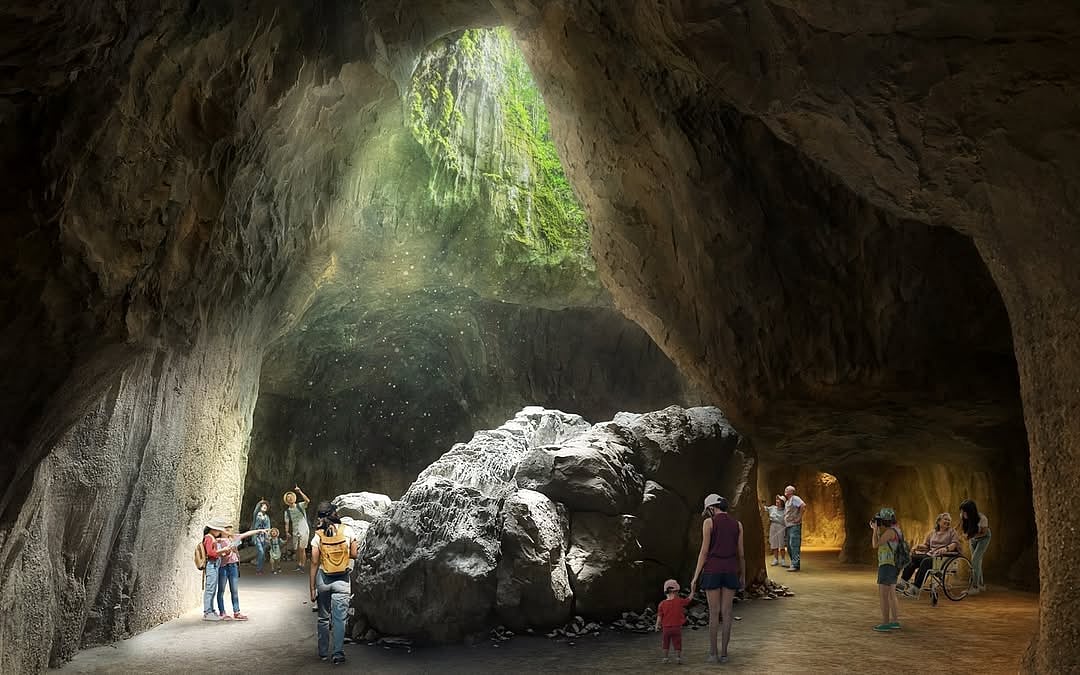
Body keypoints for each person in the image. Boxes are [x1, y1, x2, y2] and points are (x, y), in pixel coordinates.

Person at [690, 494, 744, 664]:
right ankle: (725, 654)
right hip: (730, 570)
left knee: (714, 613)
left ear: (712, 508)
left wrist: (695, 576)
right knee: (727, 613)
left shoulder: (709, 523)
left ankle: (713, 654)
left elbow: (704, 552)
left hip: (712, 571)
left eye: (708, 511)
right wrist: (743, 574)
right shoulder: (738, 525)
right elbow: (741, 554)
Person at [309, 501, 358, 665]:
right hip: (342, 580)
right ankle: (338, 653)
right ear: (335, 513)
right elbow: (354, 554)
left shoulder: (318, 536)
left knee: (323, 618)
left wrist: (311, 588)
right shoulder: (348, 530)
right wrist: (341, 556)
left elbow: (314, 563)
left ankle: (323, 652)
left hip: (323, 579)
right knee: (339, 619)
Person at [898, 512, 960, 597]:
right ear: (939, 521)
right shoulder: (933, 532)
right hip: (931, 555)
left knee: (925, 561)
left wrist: (946, 548)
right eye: (945, 519)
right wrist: (918, 546)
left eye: (949, 520)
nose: (947, 521)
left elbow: (954, 544)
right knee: (912, 558)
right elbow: (927, 545)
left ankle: (915, 588)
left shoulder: (952, 532)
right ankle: (902, 583)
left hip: (942, 558)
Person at [215, 525, 268, 621]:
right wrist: (226, 550)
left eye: (229, 528)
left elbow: (246, 534)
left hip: (233, 566)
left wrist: (259, 530)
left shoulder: (233, 538)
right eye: (226, 529)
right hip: (223, 567)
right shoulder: (218, 540)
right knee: (221, 590)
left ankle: (236, 612)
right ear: (221, 530)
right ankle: (222, 612)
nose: (228, 530)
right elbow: (218, 554)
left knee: (234, 590)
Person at [870, 507, 902, 632]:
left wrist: (874, 530)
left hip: (887, 565)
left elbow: (875, 545)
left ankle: (885, 622)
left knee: (883, 595)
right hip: (894, 565)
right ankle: (895, 621)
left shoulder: (889, 532)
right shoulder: (897, 530)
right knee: (892, 595)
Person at [654, 579, 692, 664]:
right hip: (677, 628)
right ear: (674, 591)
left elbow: (659, 616)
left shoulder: (661, 604)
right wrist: (692, 591)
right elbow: (688, 600)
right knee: (677, 643)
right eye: (677, 591)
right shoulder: (679, 601)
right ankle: (678, 658)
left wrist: (657, 625)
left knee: (665, 643)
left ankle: (665, 658)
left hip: (666, 629)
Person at [959, 499, 991, 594]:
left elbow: (983, 533)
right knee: (978, 561)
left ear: (971, 511)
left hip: (984, 538)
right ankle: (981, 585)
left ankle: (975, 587)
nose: (962, 513)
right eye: (961, 511)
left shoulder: (982, 518)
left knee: (975, 560)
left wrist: (969, 536)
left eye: (964, 511)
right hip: (972, 539)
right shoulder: (963, 516)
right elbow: (960, 526)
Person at [201, 518, 230, 621]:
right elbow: (210, 553)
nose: (219, 532)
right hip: (211, 565)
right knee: (210, 589)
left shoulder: (212, 538)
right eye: (218, 530)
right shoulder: (209, 538)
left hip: (215, 564)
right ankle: (207, 612)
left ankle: (211, 610)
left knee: (213, 588)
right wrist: (222, 550)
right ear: (213, 529)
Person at [283, 486, 311, 572]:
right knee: (297, 549)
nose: (290, 498)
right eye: (288, 498)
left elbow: (307, 501)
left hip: (304, 528)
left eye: (291, 496)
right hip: (295, 530)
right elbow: (287, 522)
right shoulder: (287, 512)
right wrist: (287, 532)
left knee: (302, 548)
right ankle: (299, 564)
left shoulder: (300, 505)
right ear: (287, 501)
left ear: (294, 498)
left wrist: (300, 492)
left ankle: (302, 565)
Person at [783, 485, 806, 572]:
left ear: (792, 492)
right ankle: (794, 562)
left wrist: (799, 517)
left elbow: (803, 505)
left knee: (794, 544)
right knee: (789, 546)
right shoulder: (787, 501)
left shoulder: (795, 498)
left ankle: (795, 565)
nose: (785, 490)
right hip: (788, 526)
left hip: (794, 526)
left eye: (787, 489)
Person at [765, 495, 788, 567]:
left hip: (781, 526)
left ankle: (783, 560)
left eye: (779, 500)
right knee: (774, 543)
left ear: (782, 502)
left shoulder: (785, 511)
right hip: (773, 526)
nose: (777, 501)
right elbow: (764, 508)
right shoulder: (772, 508)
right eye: (777, 500)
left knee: (781, 543)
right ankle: (775, 559)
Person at [252, 499, 271, 575]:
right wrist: (260, 502)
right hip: (256, 535)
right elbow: (256, 509)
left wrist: (268, 537)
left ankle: (260, 568)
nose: (265, 507)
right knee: (261, 552)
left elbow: (268, 527)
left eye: (266, 506)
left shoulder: (267, 517)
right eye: (263, 506)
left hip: (264, 537)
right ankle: (258, 570)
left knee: (262, 554)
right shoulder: (257, 514)